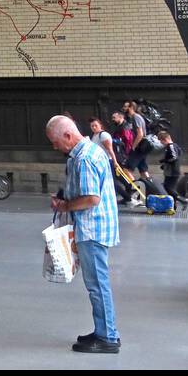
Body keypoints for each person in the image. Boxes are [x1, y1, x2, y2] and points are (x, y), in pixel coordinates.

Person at [47, 115, 120, 354]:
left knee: (98, 285)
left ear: (68, 135)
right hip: (96, 227)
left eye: (55, 141)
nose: (54, 146)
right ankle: (103, 331)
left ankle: (108, 337)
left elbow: (91, 198)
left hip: (93, 229)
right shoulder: (89, 151)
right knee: (97, 284)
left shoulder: (84, 159)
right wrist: (64, 198)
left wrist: (65, 206)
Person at [157, 130, 185, 204]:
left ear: (165, 139)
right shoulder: (174, 146)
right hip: (172, 171)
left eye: (161, 141)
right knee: (169, 187)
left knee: (168, 187)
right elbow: (179, 153)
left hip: (172, 172)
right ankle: (173, 204)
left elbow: (174, 157)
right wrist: (164, 164)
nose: (161, 143)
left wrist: (165, 161)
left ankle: (182, 200)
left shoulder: (171, 146)